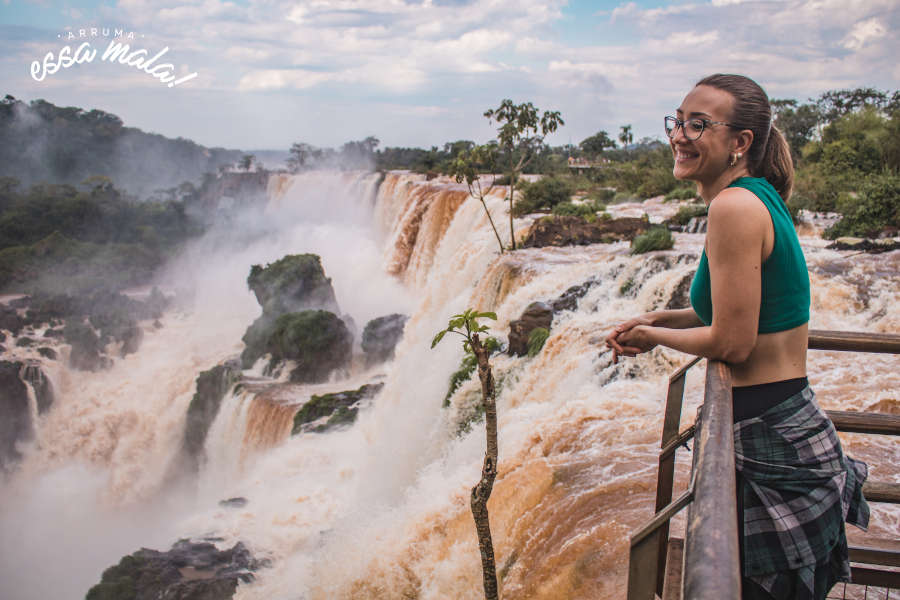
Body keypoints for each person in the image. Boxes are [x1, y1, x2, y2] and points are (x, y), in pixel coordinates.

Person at [604, 73, 869, 600]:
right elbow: (727, 309)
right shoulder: (754, 197)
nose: (679, 135)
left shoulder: (734, 208)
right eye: (677, 121)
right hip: (783, 419)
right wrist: (661, 318)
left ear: (740, 142)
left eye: (698, 125)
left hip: (770, 436)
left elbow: (732, 343)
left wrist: (656, 336)